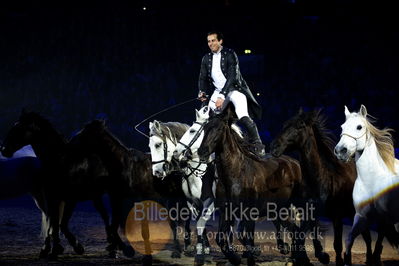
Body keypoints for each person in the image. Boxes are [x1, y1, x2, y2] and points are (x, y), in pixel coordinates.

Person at [198, 31, 266, 157]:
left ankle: (258, 144)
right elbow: (202, 78)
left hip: (234, 90)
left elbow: (232, 77)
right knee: (205, 116)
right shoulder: (206, 58)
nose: (210, 43)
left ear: (220, 41)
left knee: (242, 115)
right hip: (218, 92)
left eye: (213, 40)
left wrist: (222, 96)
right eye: (208, 41)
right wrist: (202, 92)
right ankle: (205, 146)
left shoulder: (230, 54)